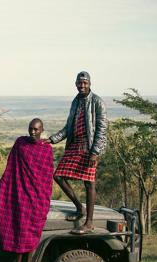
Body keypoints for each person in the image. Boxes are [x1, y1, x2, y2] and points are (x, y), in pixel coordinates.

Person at [44, 71, 107, 234]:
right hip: (74, 144)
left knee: (89, 182)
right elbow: (68, 127)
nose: (82, 86)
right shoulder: (75, 101)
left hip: (90, 145)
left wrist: (95, 152)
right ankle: (80, 208)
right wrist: (52, 139)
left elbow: (102, 129)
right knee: (58, 175)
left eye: (85, 83)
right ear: (76, 84)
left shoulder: (97, 102)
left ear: (90, 83)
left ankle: (89, 223)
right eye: (79, 83)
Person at [0, 118, 54, 262]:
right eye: (30, 129)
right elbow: (11, 167)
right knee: (20, 232)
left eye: (36, 129)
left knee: (31, 235)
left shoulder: (46, 150)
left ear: (42, 130)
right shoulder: (20, 143)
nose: (32, 132)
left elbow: (47, 176)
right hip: (20, 197)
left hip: (36, 199)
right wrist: (4, 184)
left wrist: (44, 197)